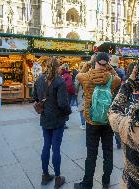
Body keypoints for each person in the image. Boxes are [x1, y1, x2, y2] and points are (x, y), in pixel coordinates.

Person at [74, 52, 121, 189]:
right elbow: (118, 77)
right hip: (107, 122)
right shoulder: (112, 79)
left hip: (91, 121)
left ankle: (87, 183)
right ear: (107, 64)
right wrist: (110, 68)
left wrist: (88, 64)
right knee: (108, 152)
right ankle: (106, 181)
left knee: (91, 154)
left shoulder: (86, 77)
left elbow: (77, 75)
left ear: (94, 62)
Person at [33, 58, 71, 189]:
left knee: (46, 146)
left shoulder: (39, 79)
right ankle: (58, 178)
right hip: (57, 119)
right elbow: (63, 104)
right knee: (56, 148)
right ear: (58, 67)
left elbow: (35, 97)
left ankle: (45, 175)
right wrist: (68, 112)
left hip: (45, 118)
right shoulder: (59, 81)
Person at [110, 55, 125, 149]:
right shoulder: (121, 71)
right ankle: (118, 141)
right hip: (118, 96)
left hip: (109, 96)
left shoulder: (108, 71)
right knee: (116, 119)